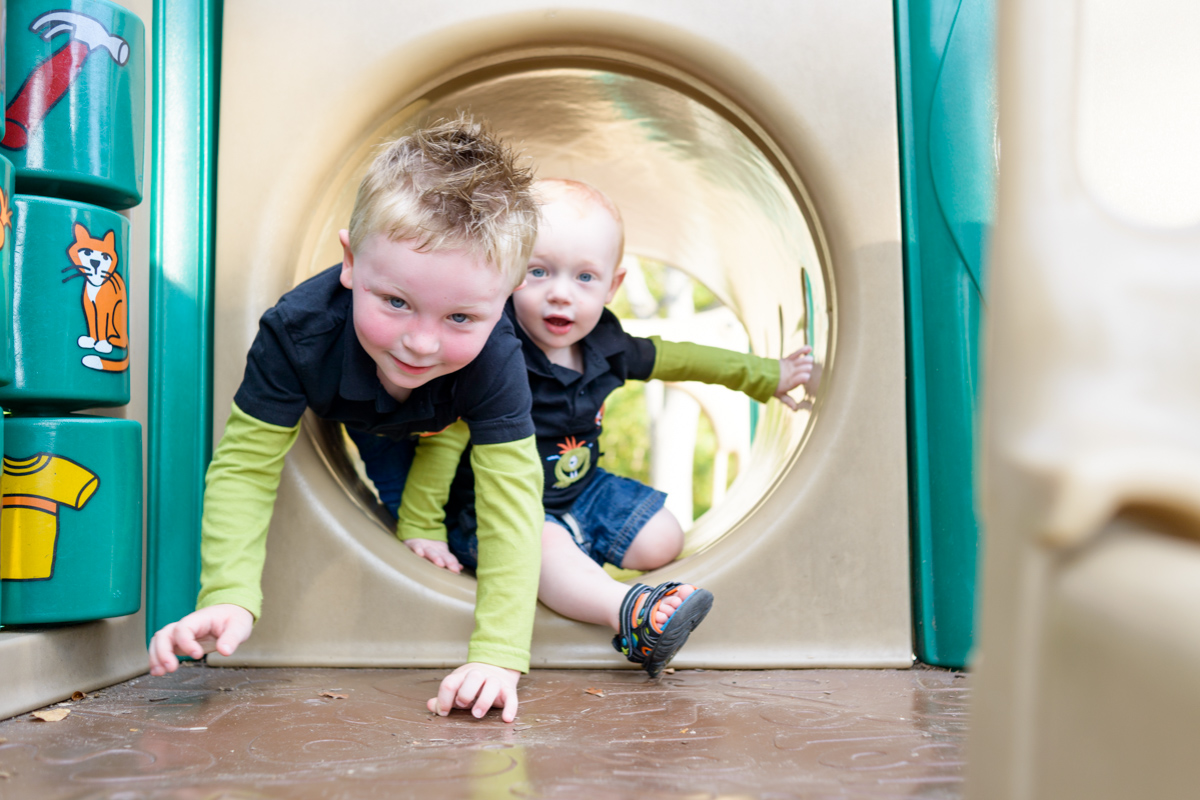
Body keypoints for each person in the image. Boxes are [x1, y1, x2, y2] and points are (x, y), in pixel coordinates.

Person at [147, 118, 545, 723]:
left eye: (461, 317)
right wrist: (228, 593)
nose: (420, 342)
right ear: (351, 262)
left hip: (450, 425)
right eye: (396, 302)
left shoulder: (495, 358)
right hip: (358, 416)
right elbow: (246, 467)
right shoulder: (297, 334)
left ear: (509, 295)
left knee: (475, 521)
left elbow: (512, 499)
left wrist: (499, 656)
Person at [392, 178, 814, 678]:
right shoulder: (491, 353)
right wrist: (421, 528)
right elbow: (443, 442)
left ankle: (576, 565)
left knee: (663, 539)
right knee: (538, 546)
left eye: (584, 278)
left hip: (583, 491)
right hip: (502, 510)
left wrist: (769, 376)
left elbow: (681, 359)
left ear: (613, 286)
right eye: (539, 272)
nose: (561, 295)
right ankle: (632, 615)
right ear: (506, 274)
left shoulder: (608, 346)